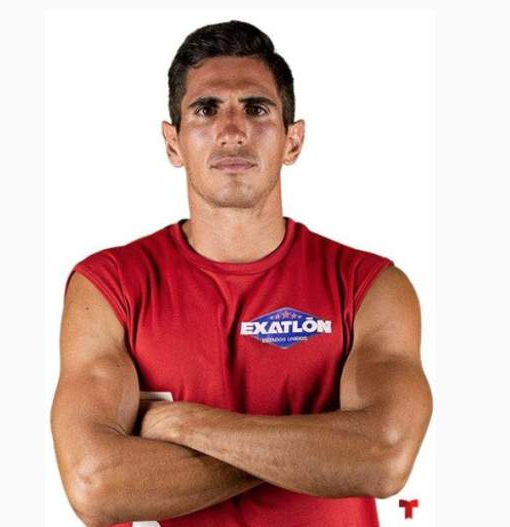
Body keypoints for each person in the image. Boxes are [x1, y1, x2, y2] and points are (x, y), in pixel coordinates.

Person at [51, 19, 432, 527]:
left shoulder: (371, 286)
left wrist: (188, 425)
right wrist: (323, 450)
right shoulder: (109, 286)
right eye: (206, 110)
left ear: (293, 141)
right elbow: (95, 486)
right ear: (173, 143)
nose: (232, 132)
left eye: (256, 109)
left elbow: (383, 457)